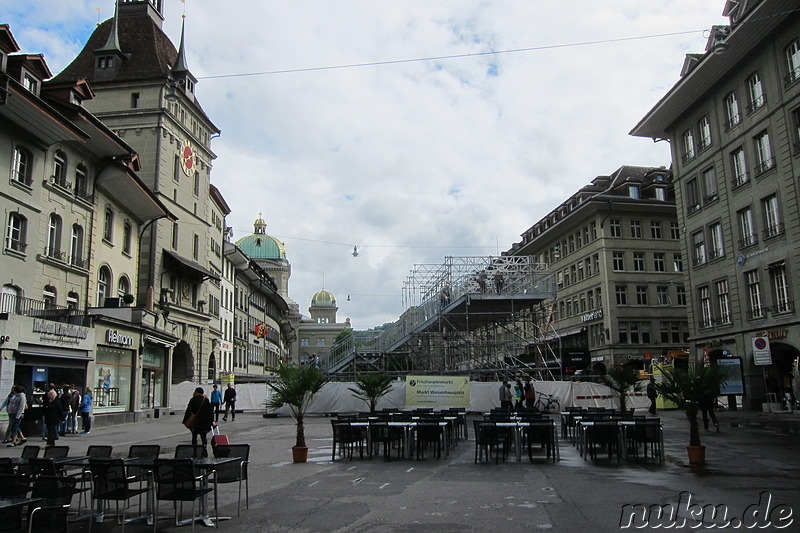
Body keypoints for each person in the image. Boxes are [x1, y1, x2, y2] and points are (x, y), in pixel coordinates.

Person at [183, 387, 215, 457]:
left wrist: (185, 420)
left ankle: (195, 451)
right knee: (204, 437)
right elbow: (210, 412)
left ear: (196, 393)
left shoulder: (192, 400)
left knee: (194, 437)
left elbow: (188, 411)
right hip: (204, 422)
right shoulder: (206, 400)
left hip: (195, 422)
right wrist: (212, 421)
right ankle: (204, 449)